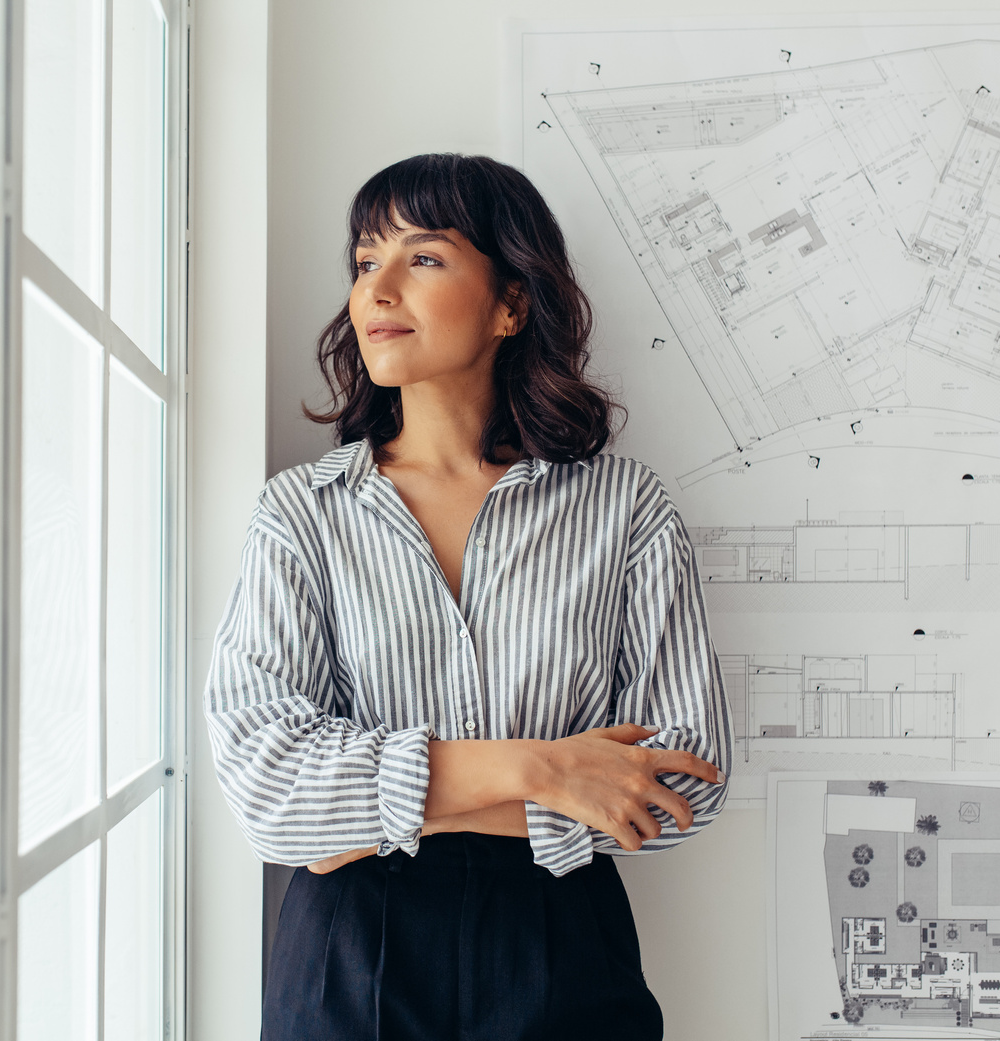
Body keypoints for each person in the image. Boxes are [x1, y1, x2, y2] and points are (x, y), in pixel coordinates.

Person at [203, 153, 732, 1040]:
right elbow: (268, 784)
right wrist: (547, 770)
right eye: (366, 261)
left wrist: (368, 812)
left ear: (511, 303)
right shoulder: (302, 512)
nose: (377, 289)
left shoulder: (624, 507)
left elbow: (683, 782)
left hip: (563, 945)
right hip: (347, 959)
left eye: (424, 257)